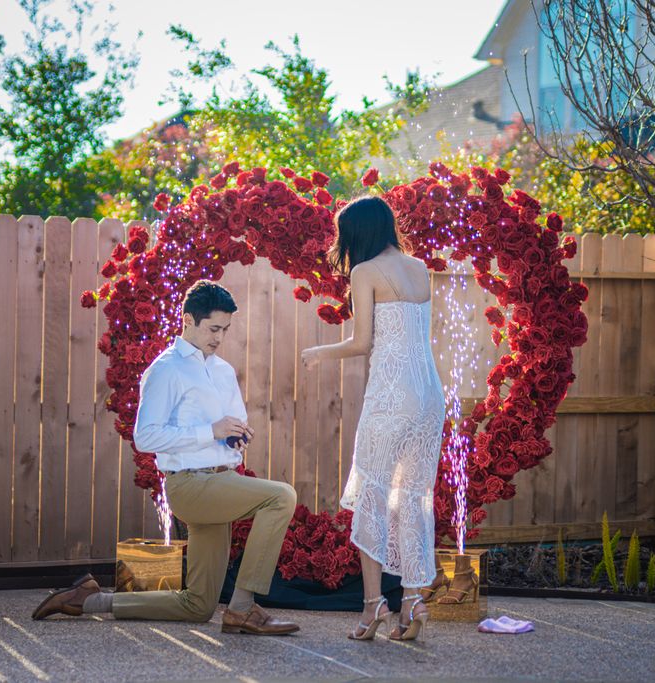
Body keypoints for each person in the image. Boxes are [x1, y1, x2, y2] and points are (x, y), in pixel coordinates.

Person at [33, 281, 300, 636]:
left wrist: (236, 437)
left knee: (198, 606)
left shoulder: (222, 370)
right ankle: (242, 608)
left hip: (223, 480)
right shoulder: (166, 369)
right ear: (188, 320)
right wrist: (211, 431)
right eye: (214, 328)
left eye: (225, 330)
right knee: (281, 496)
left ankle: (89, 600)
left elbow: (226, 428)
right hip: (189, 485)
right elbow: (145, 437)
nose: (220, 337)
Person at [301, 196, 445, 641]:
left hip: (391, 395)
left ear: (356, 233)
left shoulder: (364, 272)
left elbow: (363, 342)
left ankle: (373, 606)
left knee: (373, 494)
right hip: (429, 396)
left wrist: (320, 351)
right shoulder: (420, 267)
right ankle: (414, 599)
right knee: (414, 497)